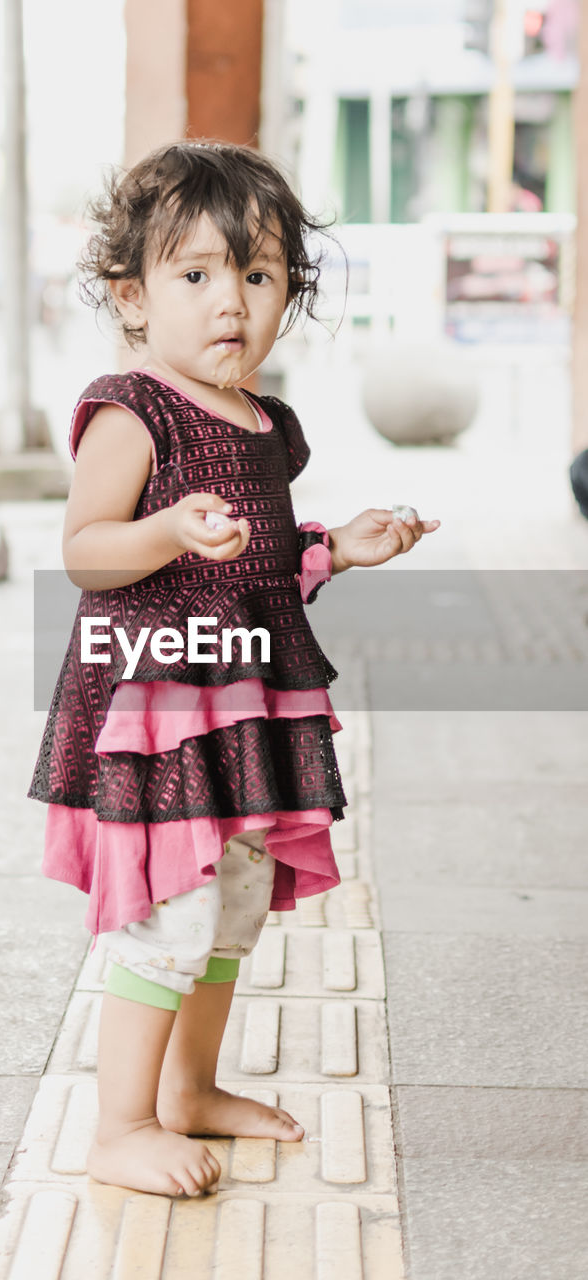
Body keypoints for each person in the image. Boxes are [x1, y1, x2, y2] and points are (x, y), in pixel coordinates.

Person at [29, 141, 439, 1198]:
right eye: (196, 274)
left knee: (229, 909)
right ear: (131, 294)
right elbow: (84, 547)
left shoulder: (264, 425)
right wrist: (162, 526)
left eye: (258, 276)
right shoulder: (133, 409)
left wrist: (336, 544)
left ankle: (189, 1089)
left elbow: (259, 558)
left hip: (244, 703)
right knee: (168, 910)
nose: (231, 303)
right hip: (157, 708)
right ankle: (119, 1123)